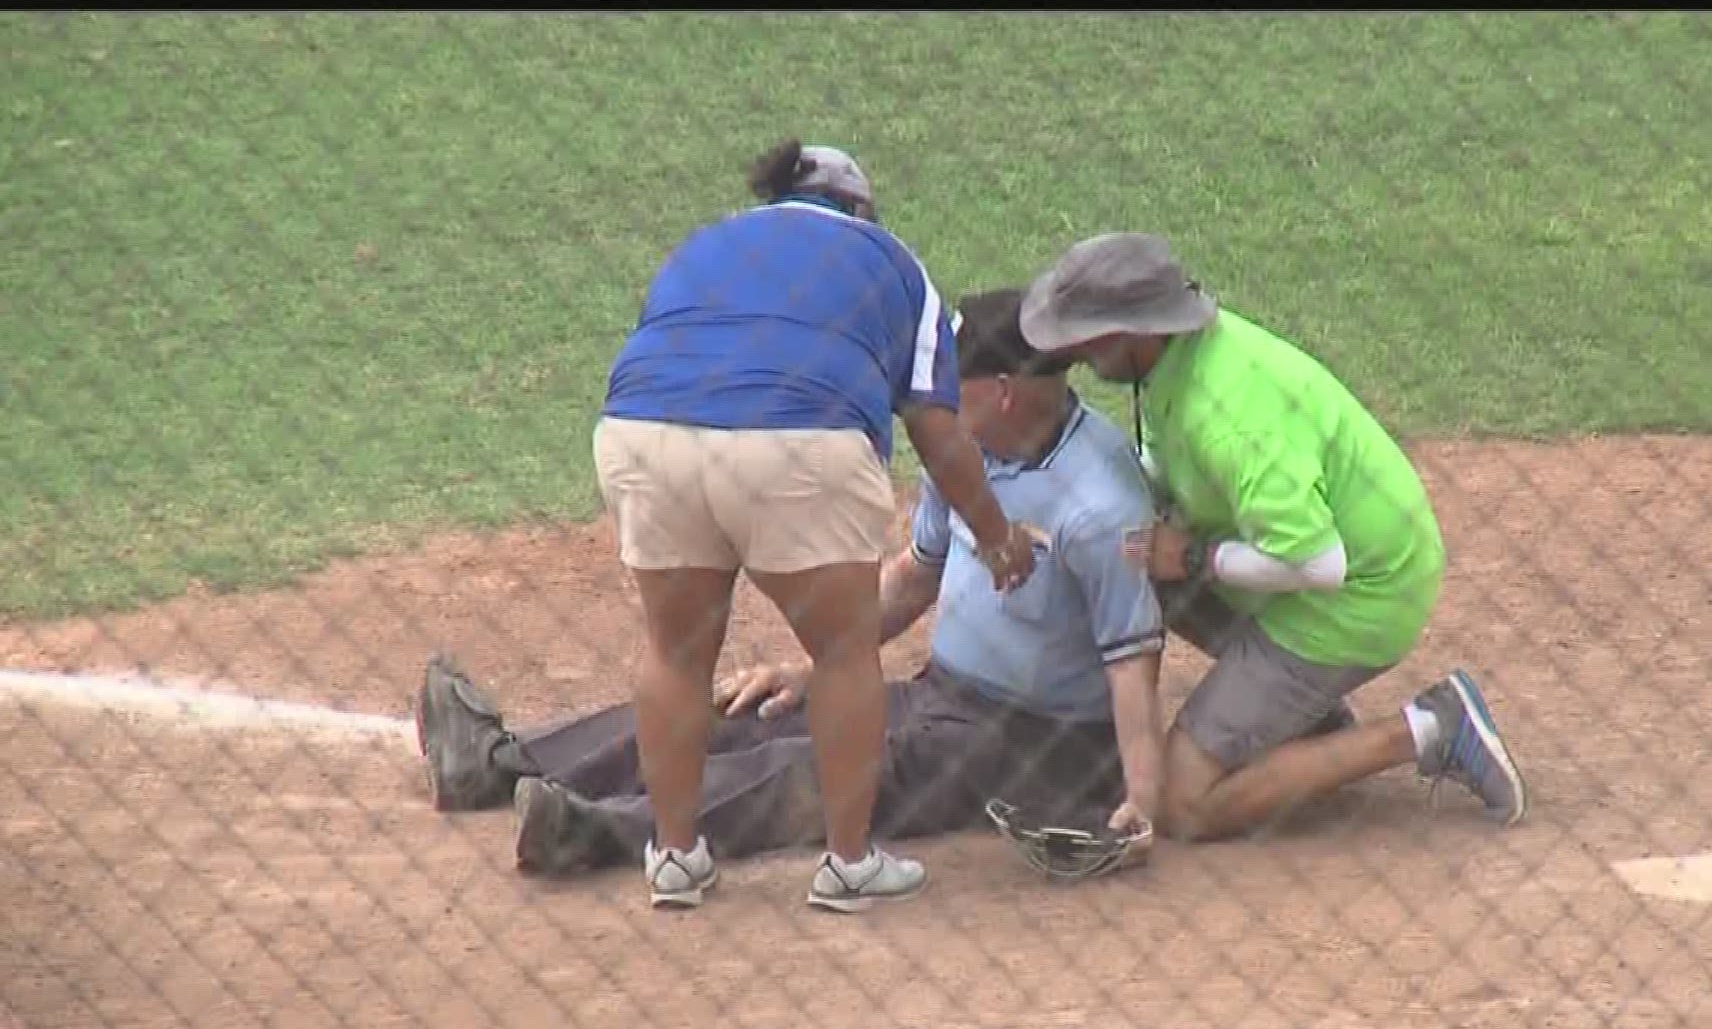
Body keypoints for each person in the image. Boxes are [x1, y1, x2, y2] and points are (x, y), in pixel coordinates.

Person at [420, 287, 1164, 910]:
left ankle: (597, 831)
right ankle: (497, 762)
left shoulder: (1097, 503)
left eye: (951, 379)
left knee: (828, 765)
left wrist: (1140, 797)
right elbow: (913, 576)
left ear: (1002, 392)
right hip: (942, 693)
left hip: (1035, 740)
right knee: (749, 711)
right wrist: (823, 667)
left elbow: (1134, 662)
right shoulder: (963, 454)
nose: (930, 394)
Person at [590, 140, 1038, 911]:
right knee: (841, 650)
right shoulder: (894, 264)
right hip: (798, 444)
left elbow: (668, 348)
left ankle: (672, 856)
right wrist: (996, 535)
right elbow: (940, 431)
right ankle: (849, 864)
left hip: (643, 433)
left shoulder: (705, 245)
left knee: (676, 647)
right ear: (859, 211)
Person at [1016, 232, 1529, 843]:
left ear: (1137, 332)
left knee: (1183, 804)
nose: (1073, 349)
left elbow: (1321, 564)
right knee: (1134, 554)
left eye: (1087, 333)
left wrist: (1196, 555)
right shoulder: (1172, 361)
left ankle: (1429, 727)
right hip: (1308, 556)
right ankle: (1303, 719)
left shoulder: (1227, 415)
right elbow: (1167, 473)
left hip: (1359, 594)